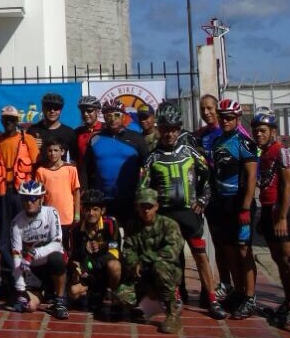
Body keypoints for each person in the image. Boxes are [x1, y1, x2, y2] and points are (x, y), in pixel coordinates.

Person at [139, 102, 225, 320]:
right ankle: (176, 297)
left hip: (190, 214)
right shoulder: (152, 158)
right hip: (166, 216)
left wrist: (203, 200)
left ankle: (212, 298)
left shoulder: (191, 152)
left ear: (179, 129)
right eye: (165, 128)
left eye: (174, 129)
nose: (169, 133)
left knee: (201, 257)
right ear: (159, 128)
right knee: (171, 259)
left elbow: (207, 178)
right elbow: (143, 188)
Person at [207, 98, 259, 320]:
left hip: (240, 203)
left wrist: (245, 208)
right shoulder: (218, 141)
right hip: (223, 204)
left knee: (243, 250)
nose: (225, 121)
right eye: (222, 117)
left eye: (229, 118)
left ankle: (250, 297)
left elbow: (250, 179)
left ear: (237, 119)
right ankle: (238, 292)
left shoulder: (245, 142)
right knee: (228, 249)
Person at [252, 107, 290, 327]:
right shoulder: (263, 153)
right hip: (267, 209)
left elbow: (287, 184)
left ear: (272, 130)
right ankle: (288, 301)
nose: (258, 134)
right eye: (255, 131)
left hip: (280, 212)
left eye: (263, 130)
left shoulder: (280, 150)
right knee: (278, 261)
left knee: (288, 260)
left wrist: (281, 216)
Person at [116, 187, 185, 335]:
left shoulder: (169, 225)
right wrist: (134, 264)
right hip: (143, 275)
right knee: (122, 296)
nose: (146, 210)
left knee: (160, 267)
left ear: (156, 206)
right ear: (137, 208)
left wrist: (144, 260)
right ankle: (148, 301)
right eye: (142, 206)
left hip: (166, 272)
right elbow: (128, 250)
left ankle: (172, 312)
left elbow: (171, 252)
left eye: (150, 206)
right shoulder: (133, 225)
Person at [0, 105, 39, 275]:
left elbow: (37, 168)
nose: (8, 122)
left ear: (17, 121)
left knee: (26, 234)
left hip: (23, 195)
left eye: (12, 120)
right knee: (4, 236)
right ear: (1, 121)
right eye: (5, 119)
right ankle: (11, 274)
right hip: (1, 194)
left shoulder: (27, 139)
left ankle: (28, 274)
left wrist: (37, 199)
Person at [9, 179, 68, 320]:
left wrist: (34, 253)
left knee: (57, 258)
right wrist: (20, 289)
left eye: (33, 199)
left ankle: (59, 301)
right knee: (29, 307)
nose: (29, 203)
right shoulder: (16, 223)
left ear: (41, 198)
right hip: (33, 271)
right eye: (25, 199)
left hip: (50, 263)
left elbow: (57, 243)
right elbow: (16, 257)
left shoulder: (51, 213)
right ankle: (44, 294)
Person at [84, 100, 148, 224]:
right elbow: (85, 170)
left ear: (124, 116)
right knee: (106, 239)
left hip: (131, 200)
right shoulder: (95, 139)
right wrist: (86, 193)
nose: (112, 119)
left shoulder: (137, 138)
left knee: (130, 239)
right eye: (108, 115)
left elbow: (147, 167)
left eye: (116, 115)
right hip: (102, 201)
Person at [67, 189, 121, 312]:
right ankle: (91, 292)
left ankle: (112, 293)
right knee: (73, 292)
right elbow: (73, 255)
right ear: (82, 210)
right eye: (87, 209)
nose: (91, 213)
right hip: (87, 273)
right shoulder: (76, 229)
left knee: (115, 266)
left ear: (102, 210)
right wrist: (82, 250)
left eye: (95, 209)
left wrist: (102, 246)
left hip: (104, 269)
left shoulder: (111, 223)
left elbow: (116, 245)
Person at [34, 137, 80, 249]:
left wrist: (77, 214)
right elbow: (39, 196)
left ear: (62, 152)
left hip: (67, 217)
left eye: (56, 150)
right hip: (49, 218)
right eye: (50, 151)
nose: (52, 153)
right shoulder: (41, 171)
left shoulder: (71, 169)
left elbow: (76, 192)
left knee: (67, 247)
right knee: (51, 247)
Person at [28, 92, 77, 163]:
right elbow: (25, 156)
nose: (52, 111)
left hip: (61, 173)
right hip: (38, 173)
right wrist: (32, 146)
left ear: (60, 110)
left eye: (56, 108)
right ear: (43, 109)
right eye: (49, 108)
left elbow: (75, 160)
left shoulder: (69, 132)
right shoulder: (32, 130)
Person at [74, 95, 103, 186]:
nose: (86, 114)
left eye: (89, 111)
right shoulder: (77, 132)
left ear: (97, 111)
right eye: (83, 111)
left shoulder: (106, 130)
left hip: (102, 178)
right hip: (83, 179)